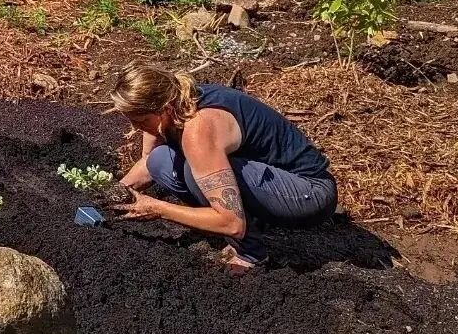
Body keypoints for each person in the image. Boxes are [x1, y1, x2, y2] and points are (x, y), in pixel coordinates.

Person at [109, 67, 337, 271]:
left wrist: (157, 208)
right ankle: (251, 220)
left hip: (309, 193)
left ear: (164, 109)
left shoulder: (199, 128)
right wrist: (111, 197)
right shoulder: (173, 104)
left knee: (194, 172)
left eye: (141, 120)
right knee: (160, 160)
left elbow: (231, 223)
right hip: (268, 180)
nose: (135, 127)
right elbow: (148, 164)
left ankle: (251, 253)